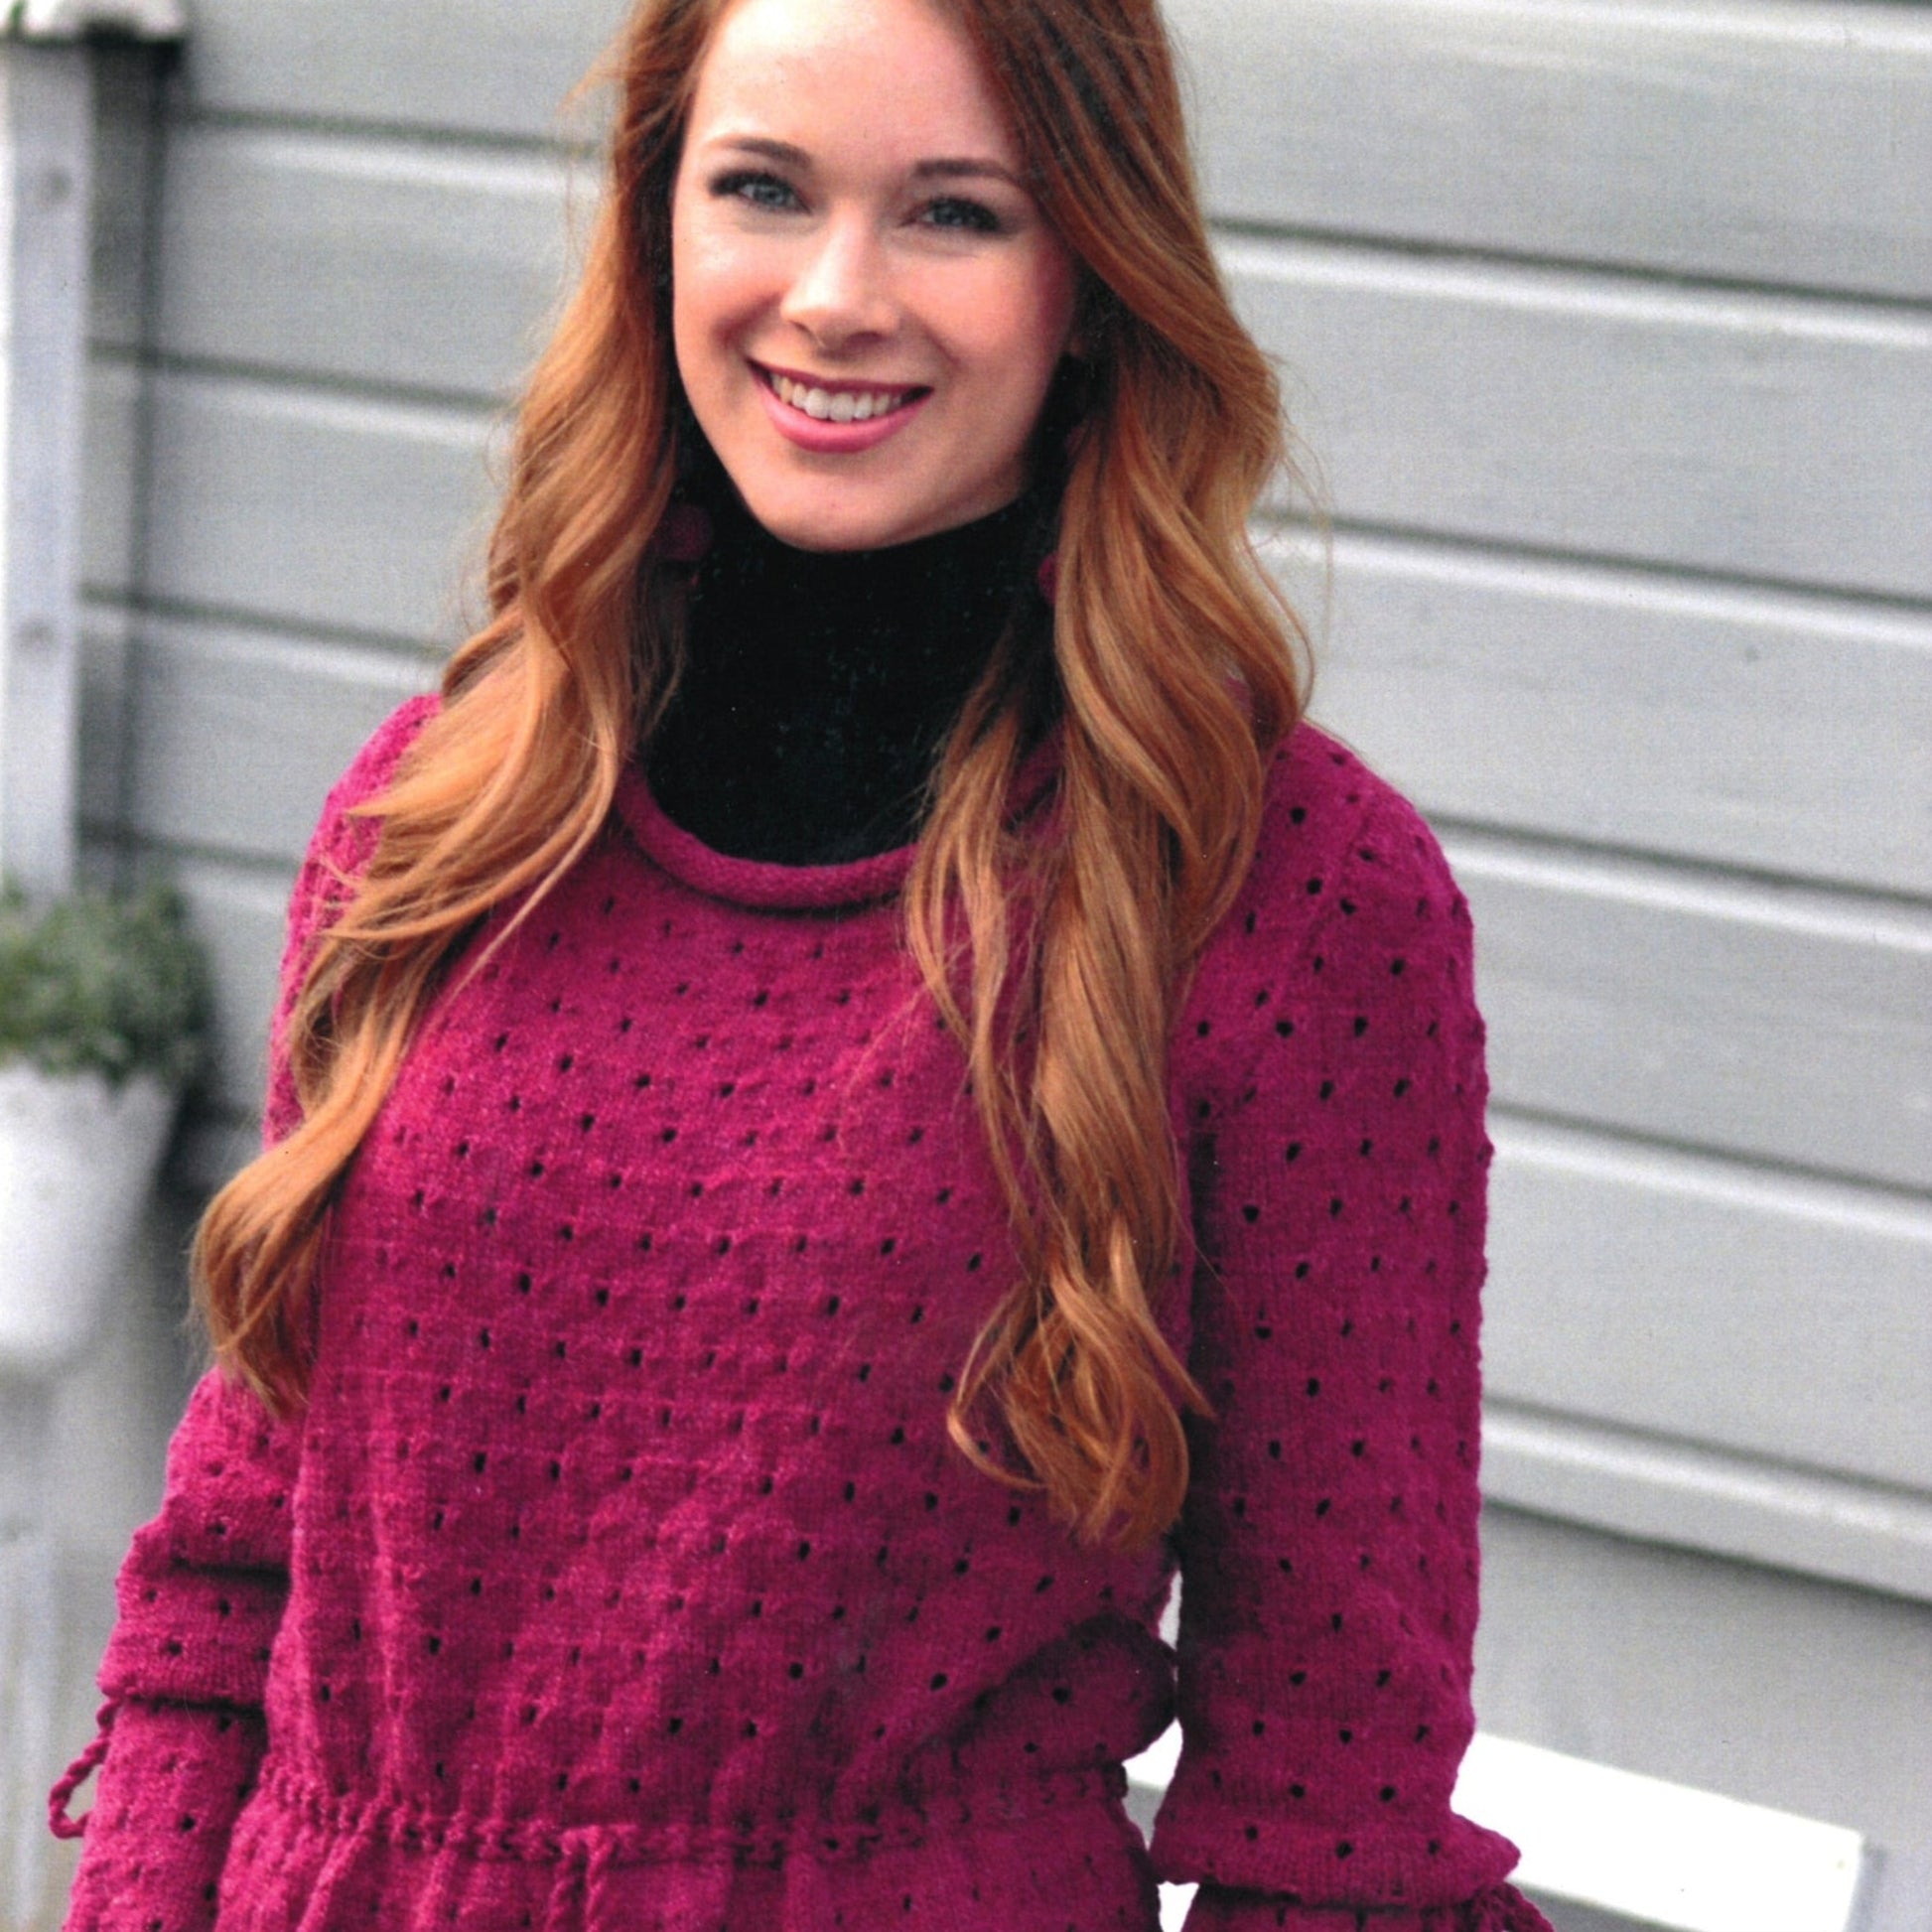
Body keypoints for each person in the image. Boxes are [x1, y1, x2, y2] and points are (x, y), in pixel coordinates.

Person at [50, 0, 1553, 1926]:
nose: (836, 296)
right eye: (762, 188)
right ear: (657, 220)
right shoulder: (441, 817)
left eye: (952, 214)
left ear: (1092, 276)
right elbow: (233, 1562)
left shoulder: (1275, 890)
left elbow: (1326, 1784)